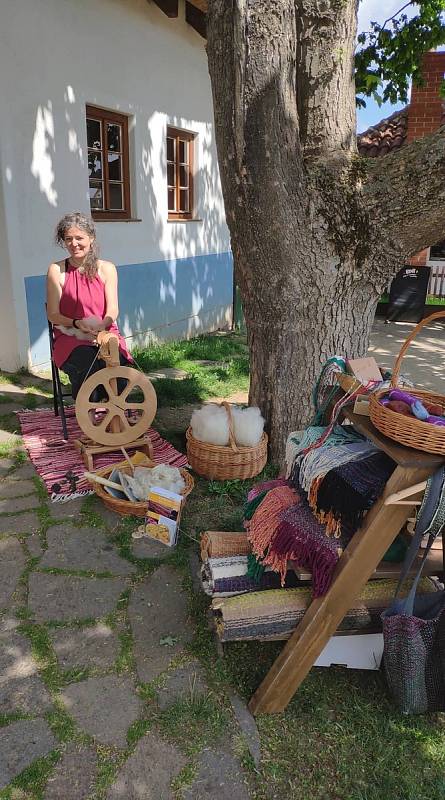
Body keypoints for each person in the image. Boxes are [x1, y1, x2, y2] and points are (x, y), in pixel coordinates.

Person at [46, 212, 132, 400]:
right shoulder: (57, 270)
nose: (74, 244)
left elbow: (113, 310)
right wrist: (77, 323)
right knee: (87, 367)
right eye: (68, 239)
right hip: (70, 335)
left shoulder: (107, 268)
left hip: (104, 332)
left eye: (79, 238)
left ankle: (113, 413)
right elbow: (53, 314)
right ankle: (89, 416)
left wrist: (102, 326)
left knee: (118, 369)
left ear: (91, 238)